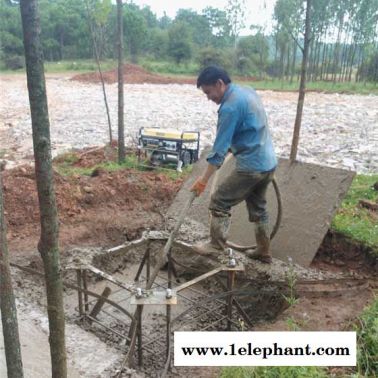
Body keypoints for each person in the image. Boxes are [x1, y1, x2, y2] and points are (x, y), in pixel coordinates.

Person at [190, 66, 277, 264]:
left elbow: (218, 150)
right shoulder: (247, 91)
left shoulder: (229, 107)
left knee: (219, 200)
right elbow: (250, 126)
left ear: (219, 84)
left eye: (208, 92)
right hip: (268, 162)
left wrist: (203, 181)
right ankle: (264, 251)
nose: (208, 97)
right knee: (259, 207)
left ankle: (216, 245)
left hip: (251, 166)